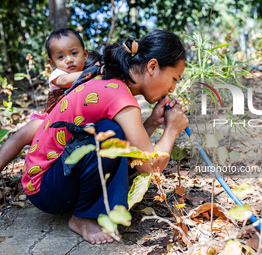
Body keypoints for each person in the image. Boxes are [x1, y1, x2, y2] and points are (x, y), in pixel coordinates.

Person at [22, 29, 188, 245]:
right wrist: (172, 129)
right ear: (153, 66)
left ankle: (90, 206)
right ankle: (82, 217)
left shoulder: (112, 83)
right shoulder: (120, 98)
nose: (173, 88)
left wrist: (154, 122)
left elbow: (134, 149)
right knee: (111, 132)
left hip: (52, 180)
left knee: (113, 131)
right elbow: (149, 167)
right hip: (45, 189)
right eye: (174, 78)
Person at [0, 28, 91, 172]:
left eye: (74, 53)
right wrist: (93, 72)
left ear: (85, 54)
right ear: (52, 63)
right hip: (50, 121)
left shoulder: (90, 72)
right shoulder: (58, 74)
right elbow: (66, 81)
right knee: (22, 135)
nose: (69, 59)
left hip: (76, 123)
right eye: (60, 57)